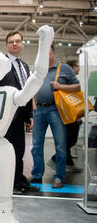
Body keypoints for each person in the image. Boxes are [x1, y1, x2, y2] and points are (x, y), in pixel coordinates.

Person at [30, 44, 81, 189]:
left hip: (56, 110)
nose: (45, 57)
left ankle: (59, 177)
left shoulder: (64, 68)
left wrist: (60, 86)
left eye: (48, 53)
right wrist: (34, 106)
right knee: (36, 145)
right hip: (39, 110)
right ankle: (37, 175)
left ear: (54, 53)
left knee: (60, 145)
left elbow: (77, 87)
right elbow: (33, 89)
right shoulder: (39, 71)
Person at [0, 31, 39, 193]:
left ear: (22, 44)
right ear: (7, 45)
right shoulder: (2, 64)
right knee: (6, 150)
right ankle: (6, 183)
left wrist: (29, 114)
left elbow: (27, 91)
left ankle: (19, 181)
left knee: (19, 149)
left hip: (21, 114)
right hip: (7, 114)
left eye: (17, 41)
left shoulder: (25, 66)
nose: (14, 44)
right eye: (11, 42)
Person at [47, 59, 82, 173]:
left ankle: (67, 162)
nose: (79, 68)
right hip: (66, 113)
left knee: (69, 139)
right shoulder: (66, 81)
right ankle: (56, 159)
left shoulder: (69, 80)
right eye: (77, 66)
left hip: (69, 113)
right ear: (71, 67)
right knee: (69, 139)